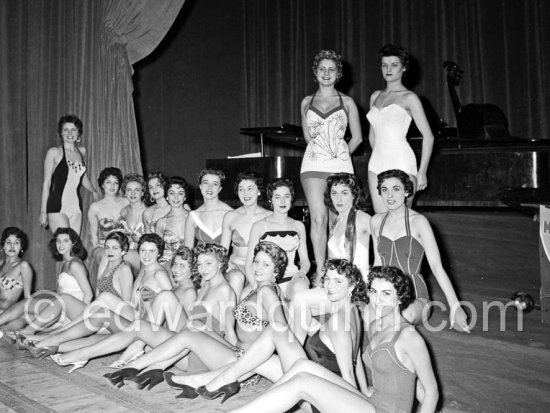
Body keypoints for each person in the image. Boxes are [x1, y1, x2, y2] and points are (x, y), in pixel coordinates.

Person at [224, 266, 439, 413]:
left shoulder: (409, 336)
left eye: (386, 294)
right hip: (371, 403)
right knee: (303, 366)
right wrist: (366, 390)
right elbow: (401, 377)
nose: (377, 300)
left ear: (400, 298)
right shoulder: (378, 325)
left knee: (302, 384)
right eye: (374, 291)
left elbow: (430, 391)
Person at [103, 241, 287, 391]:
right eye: (256, 261)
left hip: (244, 364)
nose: (258, 268)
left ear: (276, 269)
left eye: (266, 264)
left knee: (192, 326)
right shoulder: (257, 289)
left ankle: (141, 366)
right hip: (235, 353)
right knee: (193, 324)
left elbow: (280, 334)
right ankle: (147, 367)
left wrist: (274, 367)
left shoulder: (267, 293)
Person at [49, 243, 235, 381]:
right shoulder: (205, 286)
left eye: (208, 263)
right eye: (200, 265)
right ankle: (86, 353)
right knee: (151, 311)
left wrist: (240, 364)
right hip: (181, 346)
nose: (203, 269)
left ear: (220, 263)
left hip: (197, 356)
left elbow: (229, 334)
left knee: (165, 301)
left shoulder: (225, 290)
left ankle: (132, 349)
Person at [189, 258, 366, 404]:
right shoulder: (353, 312)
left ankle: (222, 381)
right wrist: (364, 390)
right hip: (313, 376)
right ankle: (205, 380)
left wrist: (354, 404)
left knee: (275, 330)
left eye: (338, 281)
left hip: (319, 392)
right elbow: (354, 357)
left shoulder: (338, 323)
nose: (330, 286)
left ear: (351, 287)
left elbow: (348, 374)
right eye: (327, 279)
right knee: (257, 358)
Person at [25, 233, 172, 365]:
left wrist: (164, 342)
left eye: (151, 251)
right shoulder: (144, 271)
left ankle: (53, 337)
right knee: (97, 328)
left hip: (148, 329)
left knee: (105, 300)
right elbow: (133, 303)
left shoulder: (159, 274)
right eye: (143, 250)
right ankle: (45, 343)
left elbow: (171, 307)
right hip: (135, 320)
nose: (146, 255)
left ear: (159, 253)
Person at [370, 169, 469, 332]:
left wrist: (455, 306)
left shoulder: (419, 222)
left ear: (407, 191)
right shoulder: (376, 222)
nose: (389, 195)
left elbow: (437, 267)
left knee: (396, 320)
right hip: (384, 295)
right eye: (384, 189)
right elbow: (377, 264)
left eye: (396, 189)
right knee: (363, 318)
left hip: (415, 297)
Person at [300, 50, 363, 285]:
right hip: (313, 165)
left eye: (332, 69)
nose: (326, 73)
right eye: (322, 69)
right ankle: (321, 272)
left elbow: (356, 138)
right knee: (318, 219)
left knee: (338, 221)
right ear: (315, 72)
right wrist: (323, 154)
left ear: (339, 74)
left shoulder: (347, 102)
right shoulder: (306, 102)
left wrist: (340, 155)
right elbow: (309, 137)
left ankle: (340, 272)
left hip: (340, 166)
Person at [366, 44, 434, 214]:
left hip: (402, 161)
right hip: (376, 163)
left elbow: (429, 136)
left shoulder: (409, 98)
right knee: (380, 220)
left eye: (394, 65)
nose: (388, 69)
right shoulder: (375, 96)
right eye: (384, 65)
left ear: (403, 68)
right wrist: (379, 154)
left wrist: (422, 172)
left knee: (400, 220)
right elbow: (372, 135)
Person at [0, 228, 93, 334]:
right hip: (62, 308)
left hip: (74, 311)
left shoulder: (75, 264)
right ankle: (3, 332)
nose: (61, 244)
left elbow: (88, 295)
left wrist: (80, 320)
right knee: (24, 316)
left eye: (65, 241)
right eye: (58, 241)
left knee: (26, 303)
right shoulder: (66, 263)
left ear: (74, 243)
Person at [246, 179, 310, 302]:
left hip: (292, 279)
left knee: (301, 289)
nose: (282, 201)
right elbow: (249, 263)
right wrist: (256, 286)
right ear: (271, 200)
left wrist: (302, 272)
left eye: (286, 196)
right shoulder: (259, 226)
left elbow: (305, 261)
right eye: (277, 197)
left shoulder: (298, 226)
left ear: (291, 199)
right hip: (267, 280)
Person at [39, 115, 99, 234]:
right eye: (66, 129)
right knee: (64, 243)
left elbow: (83, 179)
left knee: (74, 249)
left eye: (74, 129)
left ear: (78, 133)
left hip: (76, 207)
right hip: (57, 206)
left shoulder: (82, 152)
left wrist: (95, 192)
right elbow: (46, 184)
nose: (70, 133)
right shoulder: (54, 153)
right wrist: (43, 212)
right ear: (61, 133)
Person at [221, 172, 271, 297]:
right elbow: (223, 251)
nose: (245, 193)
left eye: (250, 189)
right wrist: (226, 264)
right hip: (235, 267)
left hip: (259, 269)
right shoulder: (230, 216)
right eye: (241, 189)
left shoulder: (269, 216)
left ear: (259, 191)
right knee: (237, 278)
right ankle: (231, 315)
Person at [88, 167, 129, 285]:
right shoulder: (95, 207)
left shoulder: (126, 202)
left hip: (124, 245)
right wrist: (97, 249)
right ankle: (99, 293)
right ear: (102, 185)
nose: (112, 186)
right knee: (107, 255)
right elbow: (94, 235)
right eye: (108, 182)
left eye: (116, 182)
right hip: (104, 245)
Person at [185, 169, 233, 247]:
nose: (209, 187)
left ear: (220, 189)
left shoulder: (231, 213)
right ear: (200, 186)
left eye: (215, 184)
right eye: (206, 182)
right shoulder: (193, 216)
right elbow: (188, 250)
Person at [156, 176, 190, 271]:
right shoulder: (161, 222)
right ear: (166, 196)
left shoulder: (193, 218)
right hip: (166, 264)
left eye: (180, 193)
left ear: (185, 197)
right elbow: (157, 251)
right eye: (171, 193)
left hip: (187, 262)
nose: (175, 197)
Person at [118, 173, 147, 273]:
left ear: (142, 192)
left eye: (137, 190)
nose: (133, 194)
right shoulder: (124, 212)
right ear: (125, 193)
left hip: (145, 256)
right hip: (127, 256)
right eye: (129, 190)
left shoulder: (149, 212)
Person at [0, 227, 33, 313]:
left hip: (5, 314)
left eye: (16, 243)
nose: (12, 246)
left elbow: (27, 298)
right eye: (8, 242)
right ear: (3, 245)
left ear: (21, 247)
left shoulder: (23, 266)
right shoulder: (1, 263)